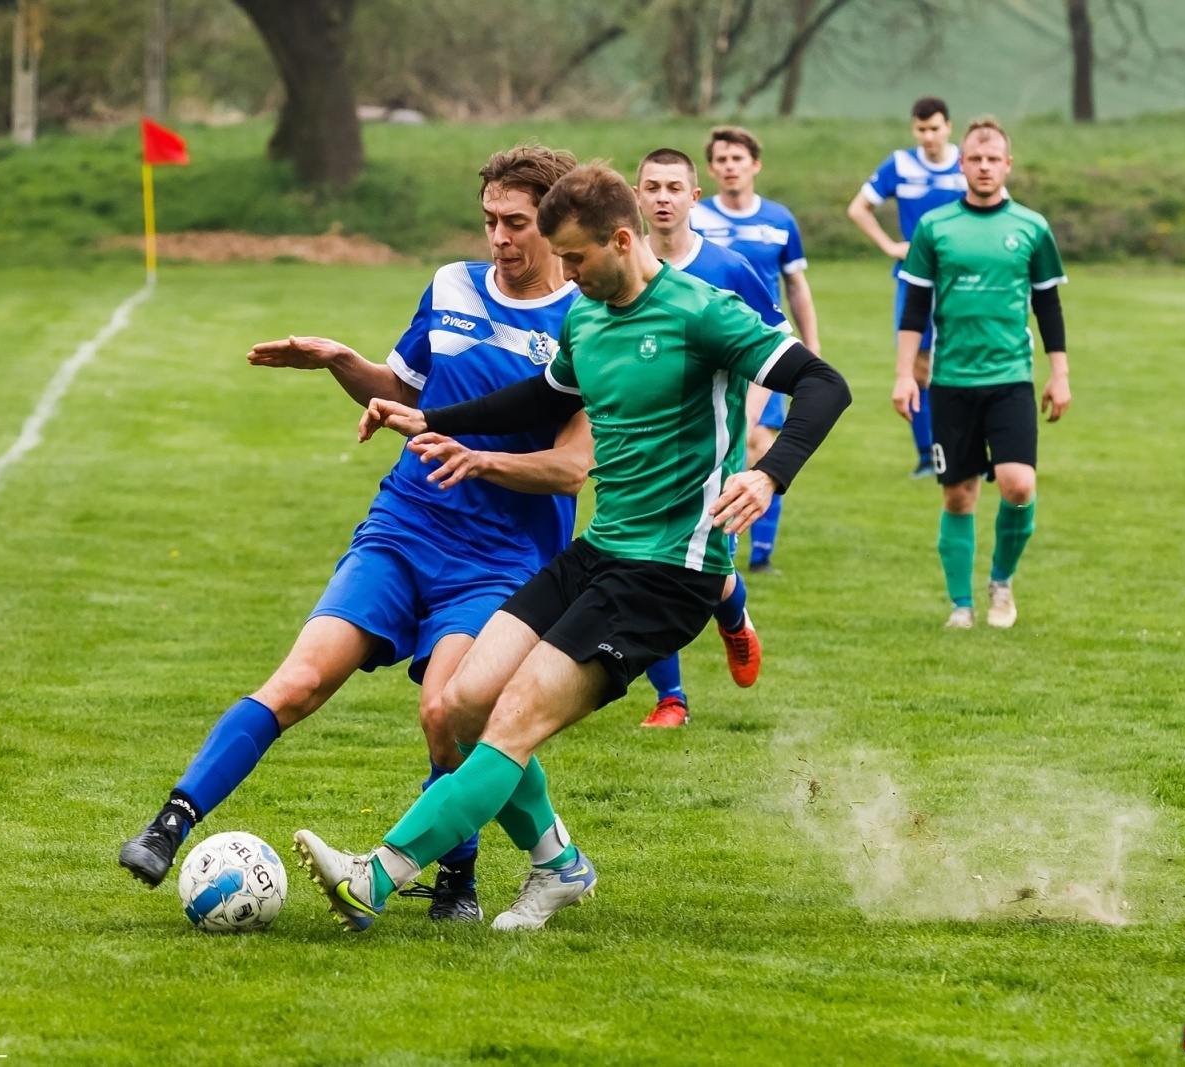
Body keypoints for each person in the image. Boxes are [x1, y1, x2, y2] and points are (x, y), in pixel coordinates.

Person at [292, 163, 851, 934]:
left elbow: (823, 384)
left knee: (515, 718)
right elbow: (544, 396)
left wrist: (769, 473)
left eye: (577, 258)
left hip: (670, 571)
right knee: (462, 705)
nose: (568, 275)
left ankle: (377, 873)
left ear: (621, 240)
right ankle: (559, 865)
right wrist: (433, 419)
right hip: (598, 550)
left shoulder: (702, 313)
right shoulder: (586, 318)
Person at [117, 146, 589, 925]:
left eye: (515, 223)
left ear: (557, 221)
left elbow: (572, 470)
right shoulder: (450, 286)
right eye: (489, 221)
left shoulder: (585, 320)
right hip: (405, 527)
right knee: (300, 679)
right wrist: (341, 361)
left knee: (447, 712)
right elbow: (402, 391)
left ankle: (457, 875)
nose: (499, 238)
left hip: (500, 558)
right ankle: (169, 824)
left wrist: (481, 460)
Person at [892, 117, 1070, 630]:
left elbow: (1048, 306)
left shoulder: (1031, 227)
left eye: (994, 159)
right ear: (962, 164)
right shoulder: (935, 227)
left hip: (1010, 377)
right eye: (975, 158)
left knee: (1019, 484)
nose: (985, 167)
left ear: (1008, 165)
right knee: (958, 494)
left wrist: (1059, 374)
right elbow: (914, 308)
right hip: (951, 380)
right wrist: (905, 374)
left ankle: (1001, 583)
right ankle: (960, 606)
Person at [631, 146, 786, 728]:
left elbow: (777, 349)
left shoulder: (728, 268)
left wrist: (753, 421)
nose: (663, 198)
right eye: (652, 187)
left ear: (694, 197)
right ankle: (671, 698)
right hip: (638, 448)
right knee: (643, 566)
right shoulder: (620, 266)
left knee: (708, 571)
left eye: (674, 187)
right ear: (637, 196)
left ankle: (733, 617)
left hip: (714, 449)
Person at [690, 125, 821, 572]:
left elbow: (796, 286)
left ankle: (760, 556)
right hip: (708, 352)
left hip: (762, 350)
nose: (730, 167)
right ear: (711, 169)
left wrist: (811, 347)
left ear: (755, 165)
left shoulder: (779, 220)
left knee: (760, 445)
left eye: (738, 159)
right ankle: (704, 541)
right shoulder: (696, 218)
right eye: (722, 160)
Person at [848, 96, 967, 478]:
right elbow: (858, 208)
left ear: (948, 127)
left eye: (935, 128)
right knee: (917, 365)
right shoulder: (900, 164)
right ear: (913, 129)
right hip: (914, 278)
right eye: (921, 129)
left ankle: (968, 448)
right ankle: (927, 455)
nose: (928, 136)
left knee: (965, 362)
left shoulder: (968, 163)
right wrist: (889, 245)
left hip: (962, 280)